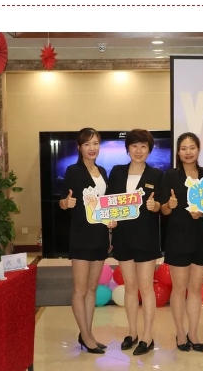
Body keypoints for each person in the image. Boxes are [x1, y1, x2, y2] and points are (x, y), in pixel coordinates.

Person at [59, 128, 116, 355]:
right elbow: (63, 200)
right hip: (81, 235)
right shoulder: (73, 171)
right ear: (79, 147)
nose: (92, 148)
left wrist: (111, 223)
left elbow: (106, 203)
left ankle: (87, 334)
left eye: (95, 143)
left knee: (92, 288)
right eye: (87, 144)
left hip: (100, 235)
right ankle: (86, 335)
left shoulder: (102, 171)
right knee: (80, 289)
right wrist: (66, 203)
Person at [108, 129, 164, 356]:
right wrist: (109, 218)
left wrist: (155, 206)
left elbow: (162, 206)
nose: (139, 151)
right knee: (130, 288)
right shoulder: (117, 171)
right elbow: (109, 202)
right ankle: (132, 333)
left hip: (146, 238)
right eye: (134, 146)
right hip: (123, 237)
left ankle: (147, 337)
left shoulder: (156, 175)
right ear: (128, 148)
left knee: (146, 288)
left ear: (149, 150)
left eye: (143, 146)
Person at [160, 132, 203, 353]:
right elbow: (163, 210)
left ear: (198, 150)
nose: (188, 152)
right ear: (178, 152)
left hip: (200, 237)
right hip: (177, 237)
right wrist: (170, 205)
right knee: (179, 288)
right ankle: (180, 332)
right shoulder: (170, 176)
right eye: (183, 148)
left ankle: (193, 333)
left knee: (195, 288)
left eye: (192, 148)